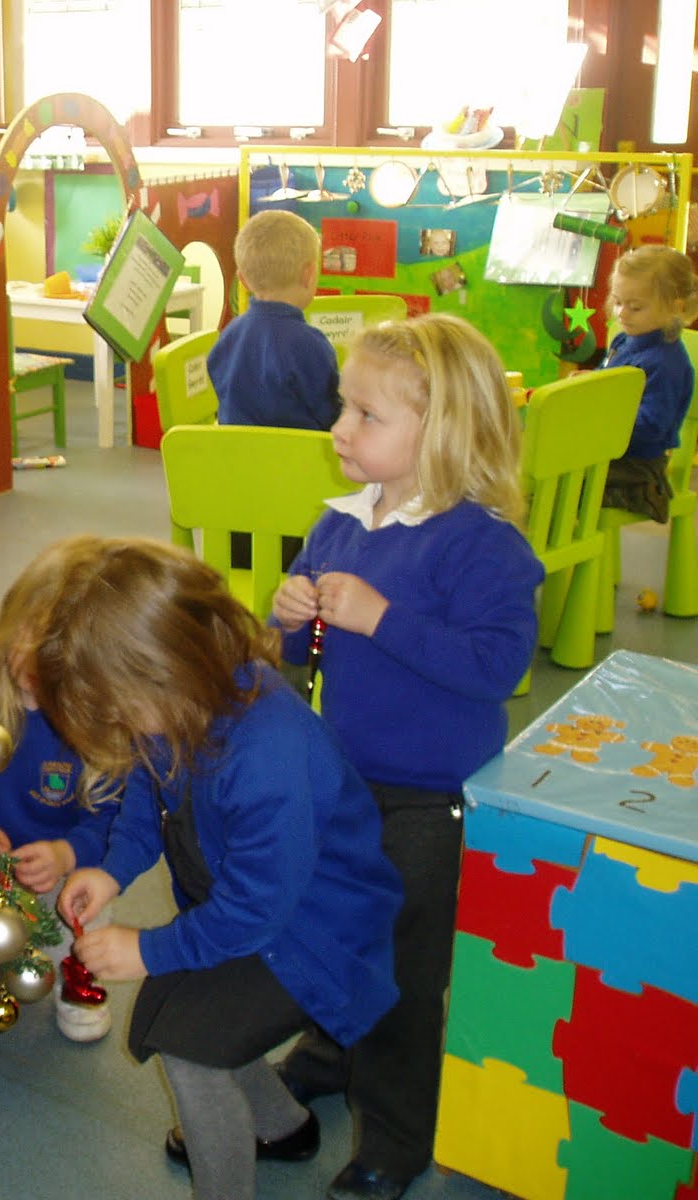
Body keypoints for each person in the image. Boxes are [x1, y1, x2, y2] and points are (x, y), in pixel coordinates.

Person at [30, 536, 400, 1200]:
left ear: (174, 666)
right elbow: (150, 789)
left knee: (193, 1050)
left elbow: (256, 913)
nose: (124, 723)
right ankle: (282, 1127)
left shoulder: (270, 754)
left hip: (314, 938)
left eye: (126, 706)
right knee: (190, 1010)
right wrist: (113, 871)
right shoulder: (177, 704)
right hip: (252, 915)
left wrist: (147, 948)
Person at [271, 314, 544, 1200]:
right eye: (343, 408)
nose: (340, 430)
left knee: (401, 964)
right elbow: (302, 661)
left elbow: (497, 669)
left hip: (431, 796)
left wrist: (382, 617)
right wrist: (291, 621)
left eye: (365, 415)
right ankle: (328, 1046)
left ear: (445, 430)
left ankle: (395, 1133)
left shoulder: (484, 545)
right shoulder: (339, 522)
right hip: (343, 776)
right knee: (333, 922)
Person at [0, 544, 118, 1037]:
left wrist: (67, 852)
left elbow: (109, 822)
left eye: (56, 652)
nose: (37, 661)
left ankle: (79, 983)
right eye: (29, 638)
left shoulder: (98, 725)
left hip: (60, 872)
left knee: (88, 904)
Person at [207, 209, 339, 431]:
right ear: (308, 274)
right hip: (301, 461)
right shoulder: (311, 344)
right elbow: (331, 414)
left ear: (243, 280)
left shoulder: (229, 335)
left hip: (234, 459)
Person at [601, 245, 697, 523]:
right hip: (609, 453)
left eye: (635, 306)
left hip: (640, 470)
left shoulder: (666, 363)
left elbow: (652, 427)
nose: (622, 313)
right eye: (618, 302)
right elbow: (606, 381)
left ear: (674, 308)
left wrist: (603, 421)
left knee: (561, 478)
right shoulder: (623, 340)